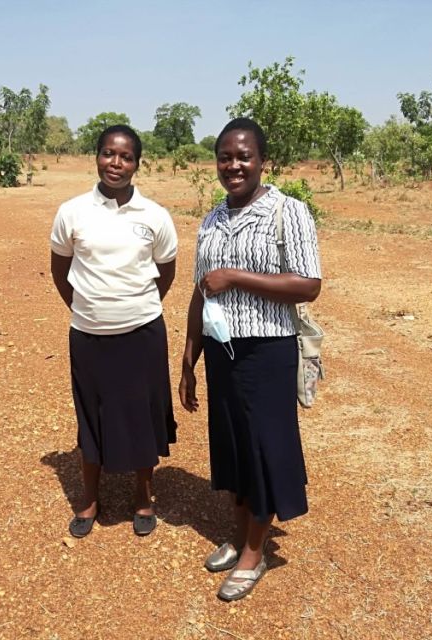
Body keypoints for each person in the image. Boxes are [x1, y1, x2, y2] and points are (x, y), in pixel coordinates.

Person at [179, 118, 322, 601]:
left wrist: (236, 277)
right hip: (222, 352)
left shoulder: (289, 212)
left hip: (267, 352)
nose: (233, 165)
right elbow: (200, 292)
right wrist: (188, 360)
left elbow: (308, 285)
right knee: (233, 448)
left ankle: (254, 553)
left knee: (261, 449)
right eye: (225, 156)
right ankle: (240, 534)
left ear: (263, 161)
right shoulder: (211, 220)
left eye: (243, 156)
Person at [51, 124, 178, 537]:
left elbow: (167, 271)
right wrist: (87, 307)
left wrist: (135, 307)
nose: (116, 163)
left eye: (125, 157)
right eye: (108, 153)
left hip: (142, 331)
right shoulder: (72, 212)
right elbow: (60, 268)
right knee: (91, 414)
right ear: (97, 156)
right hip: (88, 334)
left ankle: (143, 497)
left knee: (141, 412)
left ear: (137, 164)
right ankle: (89, 499)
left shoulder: (154, 216)